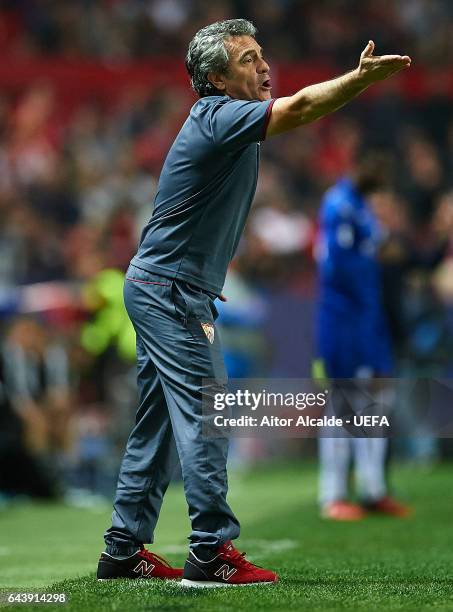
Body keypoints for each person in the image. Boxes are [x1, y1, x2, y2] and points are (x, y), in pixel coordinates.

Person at [97, 19, 411, 587]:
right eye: (248, 59)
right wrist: (358, 82)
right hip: (170, 291)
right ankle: (211, 550)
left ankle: (122, 549)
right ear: (216, 78)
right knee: (207, 418)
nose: (264, 66)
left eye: (262, 55)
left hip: (161, 285)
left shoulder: (226, 123)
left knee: (157, 426)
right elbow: (298, 110)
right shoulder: (219, 118)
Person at [315, 154, 411, 521]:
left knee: (374, 401)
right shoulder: (339, 205)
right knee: (343, 402)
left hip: (368, 318)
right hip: (343, 318)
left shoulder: (359, 207)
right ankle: (333, 494)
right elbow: (338, 265)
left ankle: (373, 490)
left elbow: (381, 249)